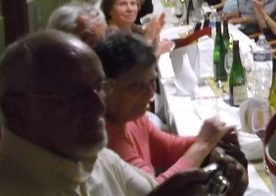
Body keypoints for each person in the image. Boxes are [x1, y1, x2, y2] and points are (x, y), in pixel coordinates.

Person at [0, 30, 247, 196]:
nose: (99, 106)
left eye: (99, 87)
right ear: (15, 109)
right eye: (73, 96)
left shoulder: (103, 162)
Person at [95, 33, 236, 183]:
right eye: (136, 86)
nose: (150, 93)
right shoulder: (106, 137)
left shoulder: (131, 116)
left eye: (152, 82)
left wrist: (213, 139)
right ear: (106, 88)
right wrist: (202, 145)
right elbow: (153, 191)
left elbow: (166, 148)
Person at [101, 0, 169, 54]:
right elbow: (140, 60)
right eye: (122, 4)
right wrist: (149, 38)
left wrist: (155, 35)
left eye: (133, 3)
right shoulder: (110, 40)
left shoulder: (130, 34)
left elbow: (152, 56)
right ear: (109, 10)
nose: (130, 9)